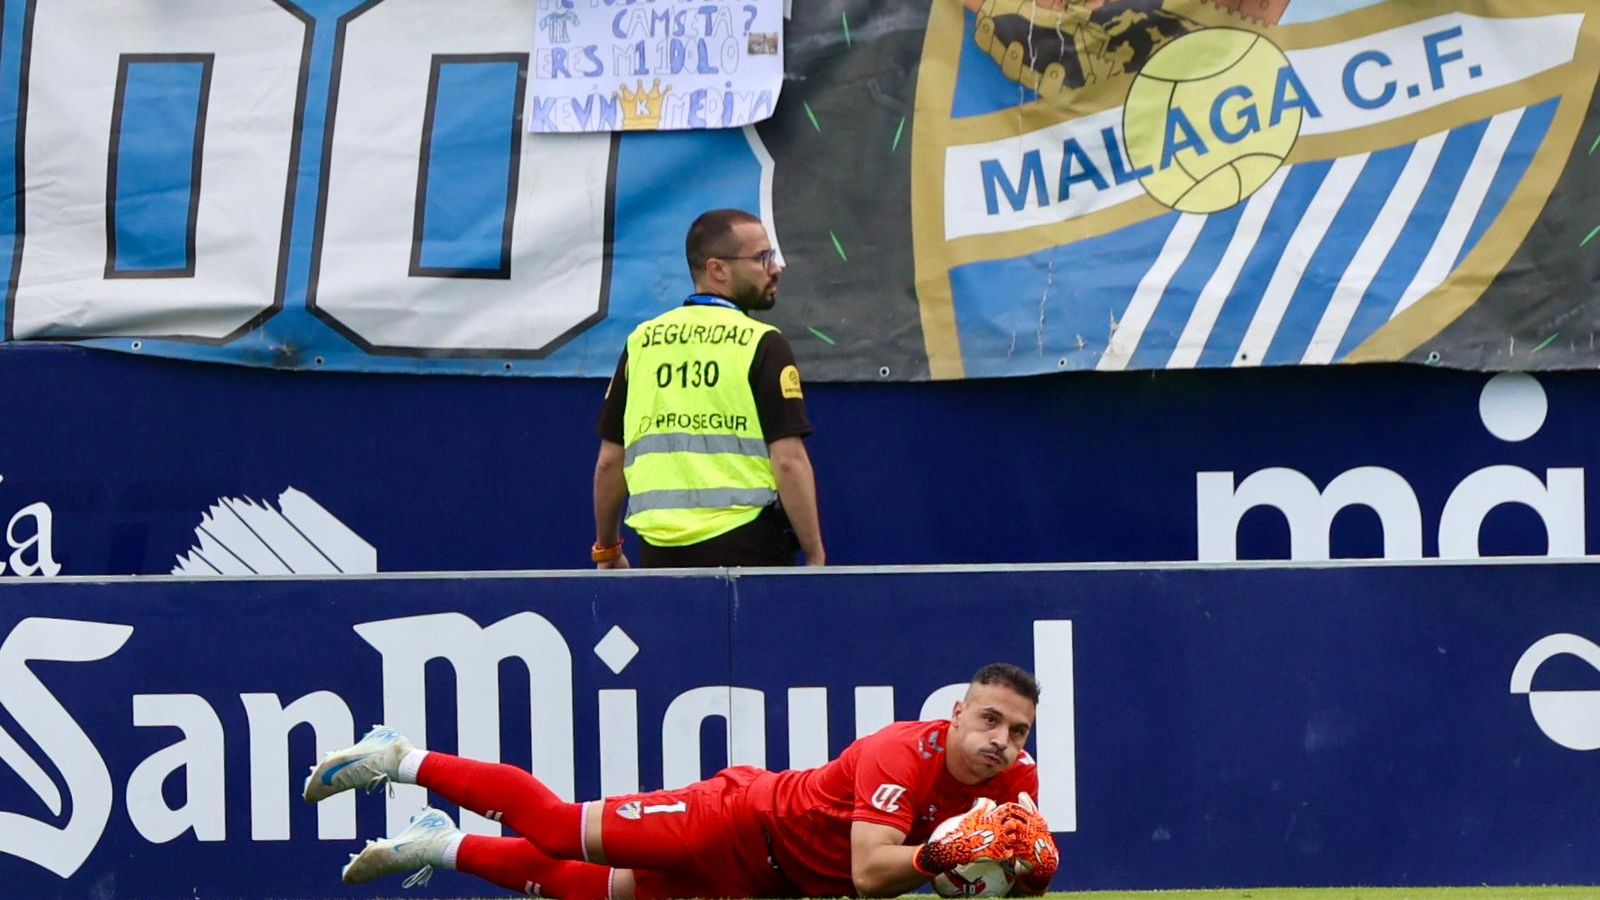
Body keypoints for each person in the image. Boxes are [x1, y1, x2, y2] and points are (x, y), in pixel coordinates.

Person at [303, 663, 1060, 898]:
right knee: (562, 829)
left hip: (770, 885)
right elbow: (870, 873)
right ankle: (399, 756)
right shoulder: (903, 751)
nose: (1001, 741)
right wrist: (947, 855)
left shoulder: (1015, 776)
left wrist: (1029, 869)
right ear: (957, 713)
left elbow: (1020, 874)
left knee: (579, 891)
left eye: (1016, 730)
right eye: (989, 720)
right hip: (736, 820)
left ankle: (439, 846)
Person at [590, 208, 824, 570]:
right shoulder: (762, 342)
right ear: (717, 269)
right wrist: (815, 557)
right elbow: (789, 463)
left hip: (659, 551)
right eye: (762, 258)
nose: (776, 268)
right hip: (749, 548)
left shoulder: (643, 342)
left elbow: (610, 461)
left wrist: (607, 550)